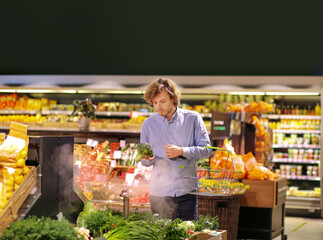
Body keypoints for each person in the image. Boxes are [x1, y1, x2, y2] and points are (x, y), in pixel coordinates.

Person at [139, 78, 212, 220]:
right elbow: (144, 160)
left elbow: (206, 150)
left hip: (186, 193)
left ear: (173, 98)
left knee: (187, 234)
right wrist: (147, 159)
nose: (158, 107)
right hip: (159, 193)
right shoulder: (148, 124)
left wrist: (182, 151)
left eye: (162, 101)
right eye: (154, 103)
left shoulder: (193, 119)